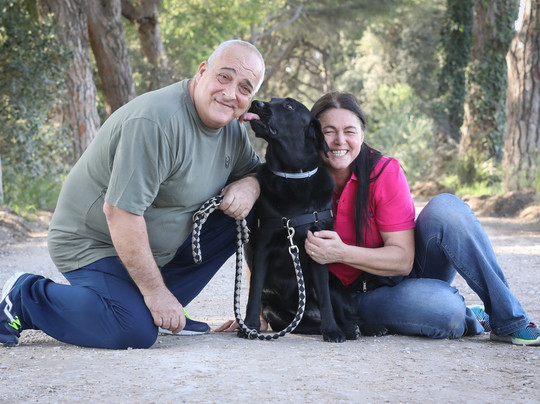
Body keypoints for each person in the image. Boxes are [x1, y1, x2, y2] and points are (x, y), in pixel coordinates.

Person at [0, 40, 266, 349]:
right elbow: (120, 213)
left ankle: (155, 305)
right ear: (203, 71)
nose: (230, 93)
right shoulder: (156, 123)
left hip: (153, 248)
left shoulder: (232, 130)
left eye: (244, 88)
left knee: (257, 207)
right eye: (224, 77)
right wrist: (156, 294)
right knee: (132, 329)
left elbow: (258, 173)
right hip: (95, 243)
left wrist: (250, 185)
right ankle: (25, 297)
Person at [301, 91, 539, 345]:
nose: (340, 141)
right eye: (329, 131)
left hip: (405, 274)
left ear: (361, 135)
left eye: (349, 131)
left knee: (447, 208)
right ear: (314, 135)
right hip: (352, 298)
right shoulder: (299, 179)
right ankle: (470, 316)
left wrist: (340, 253)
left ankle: (509, 321)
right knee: (448, 312)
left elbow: (403, 261)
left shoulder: (382, 171)